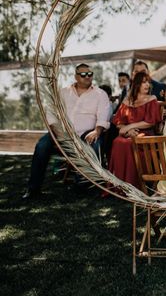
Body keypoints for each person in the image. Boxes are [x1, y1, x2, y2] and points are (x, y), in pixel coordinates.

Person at [22, 63, 111, 199]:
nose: (87, 77)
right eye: (83, 74)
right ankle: (33, 189)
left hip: (86, 132)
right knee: (41, 146)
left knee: (96, 144)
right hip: (61, 132)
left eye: (90, 74)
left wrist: (97, 131)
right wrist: (59, 134)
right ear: (76, 76)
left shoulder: (100, 94)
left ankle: (91, 187)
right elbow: (51, 113)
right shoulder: (63, 92)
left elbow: (103, 115)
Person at [108, 71, 162, 188]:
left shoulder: (152, 98)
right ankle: (119, 185)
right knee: (117, 141)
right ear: (136, 84)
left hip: (145, 134)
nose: (147, 85)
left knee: (128, 143)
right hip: (128, 134)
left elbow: (150, 122)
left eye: (148, 82)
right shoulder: (127, 100)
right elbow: (118, 122)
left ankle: (133, 185)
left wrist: (130, 127)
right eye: (143, 82)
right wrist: (127, 131)